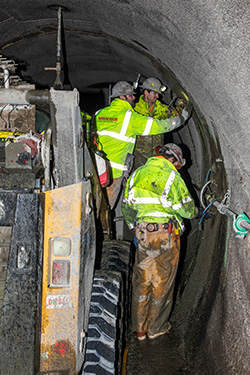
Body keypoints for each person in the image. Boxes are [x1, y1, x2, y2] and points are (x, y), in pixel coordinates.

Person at [121, 143, 202, 341]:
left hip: (143, 235)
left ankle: (139, 329)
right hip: (165, 235)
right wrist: (197, 212)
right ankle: (155, 328)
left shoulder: (137, 174)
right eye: (178, 164)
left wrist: (135, 227)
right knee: (162, 281)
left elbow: (127, 208)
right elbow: (186, 209)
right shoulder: (172, 176)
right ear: (173, 160)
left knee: (143, 279)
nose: (177, 167)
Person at [94, 81, 192, 209]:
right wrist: (182, 118)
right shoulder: (129, 117)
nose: (133, 97)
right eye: (130, 95)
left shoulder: (99, 114)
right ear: (122, 97)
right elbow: (160, 126)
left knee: (94, 203)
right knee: (105, 208)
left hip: (97, 168)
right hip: (114, 172)